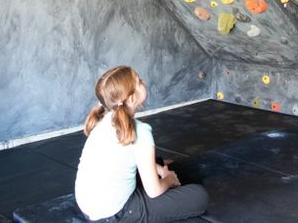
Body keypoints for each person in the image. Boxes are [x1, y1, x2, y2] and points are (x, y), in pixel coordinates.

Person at [75, 66, 209, 222]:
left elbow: (125, 157)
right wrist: (168, 180)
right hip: (116, 214)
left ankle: (161, 169)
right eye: (139, 81)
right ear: (131, 99)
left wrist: (160, 169)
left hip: (87, 205)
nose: (143, 81)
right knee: (199, 196)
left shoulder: (102, 120)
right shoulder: (140, 131)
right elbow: (154, 191)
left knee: (158, 162)